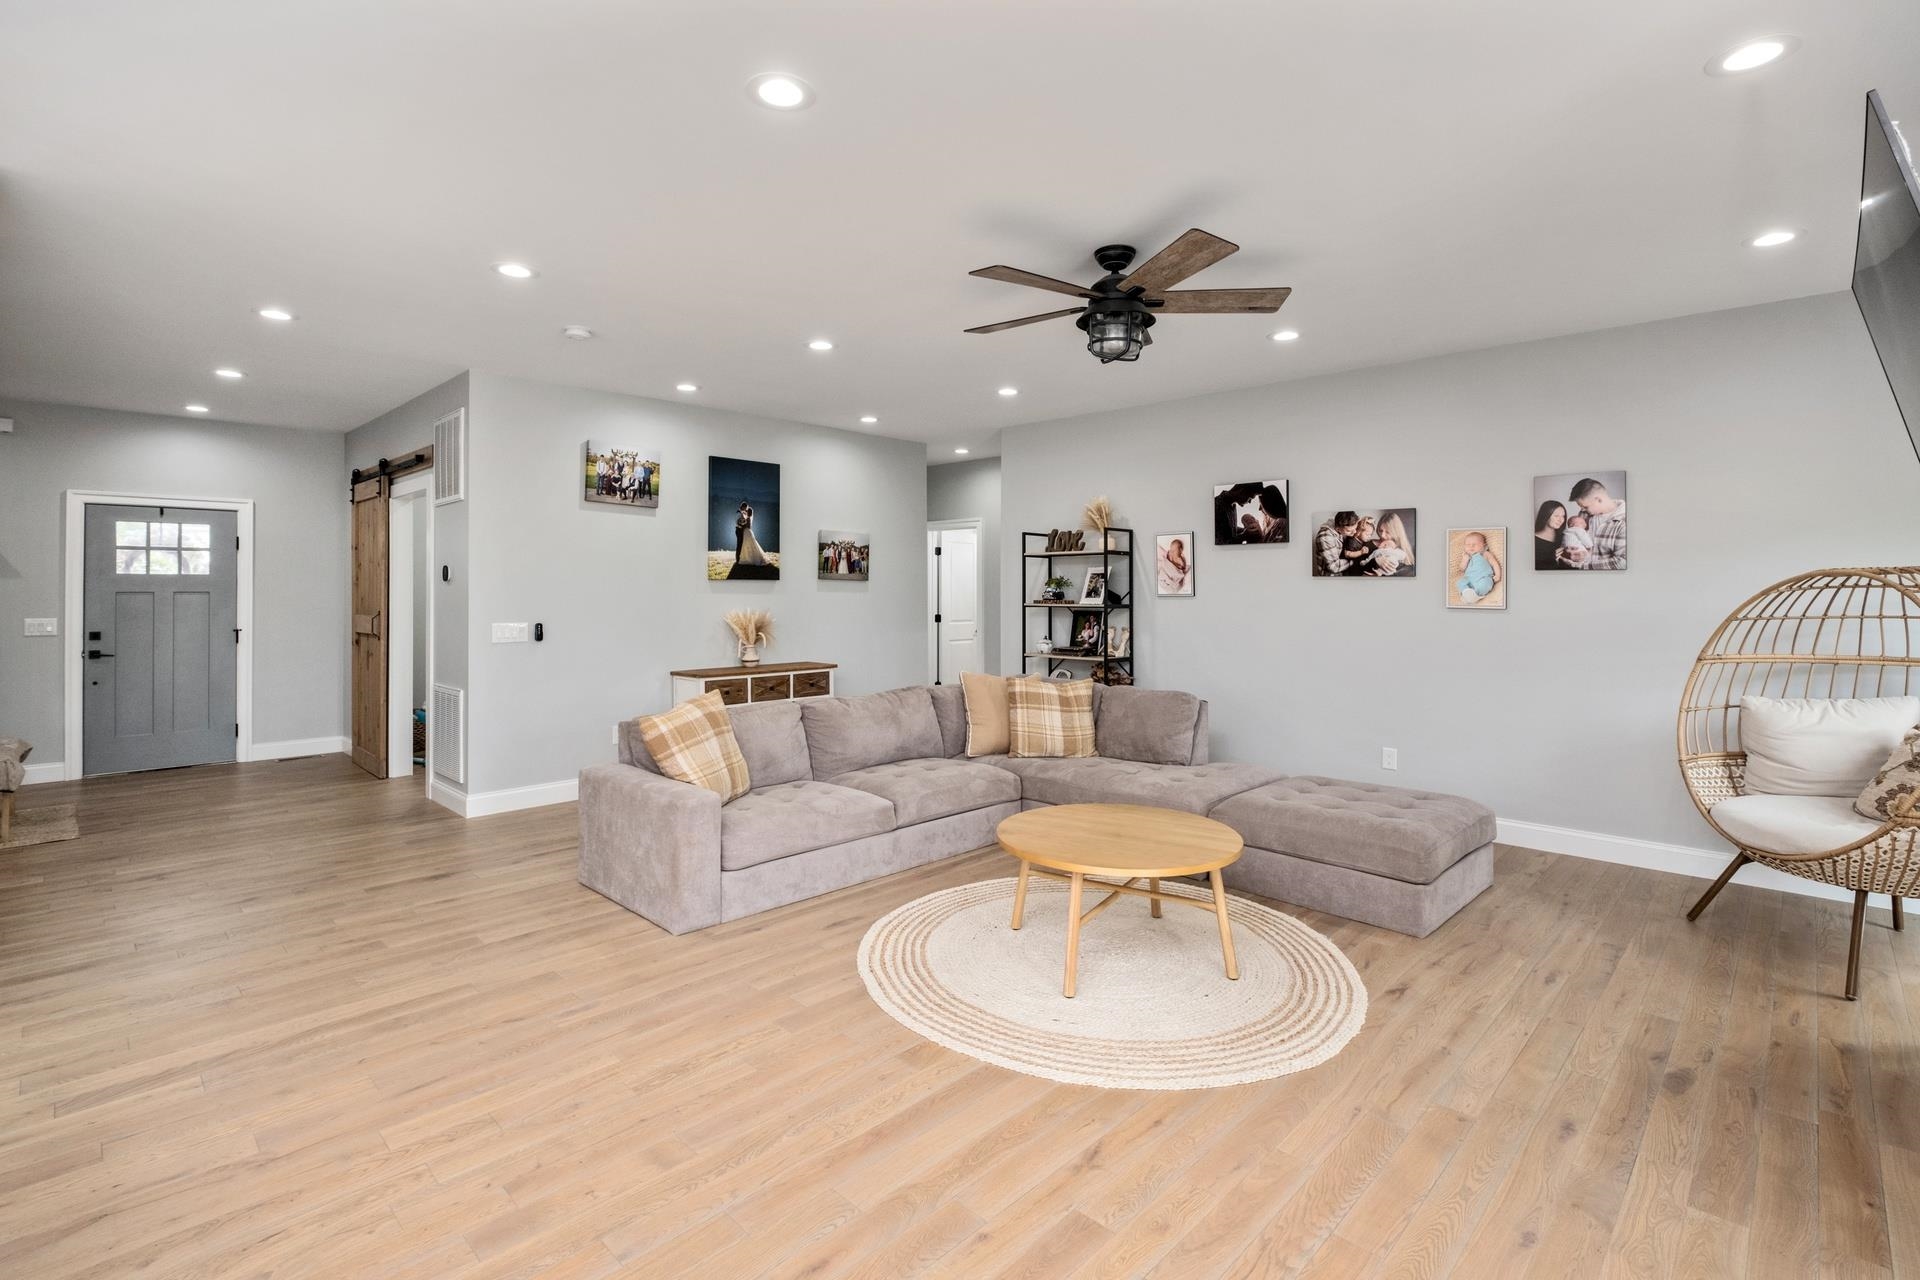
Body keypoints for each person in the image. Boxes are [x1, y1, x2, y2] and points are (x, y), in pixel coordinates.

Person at [1566, 477, 1626, 570]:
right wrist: (1567, 551)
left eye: (1585, 507)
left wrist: (1580, 566)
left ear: (1599, 500)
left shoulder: (1624, 520)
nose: (1582, 510)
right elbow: (1576, 541)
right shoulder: (1584, 514)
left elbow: (1622, 563)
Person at [1454, 531, 1501, 601]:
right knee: (1460, 582)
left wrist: (1498, 575)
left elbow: (1495, 564)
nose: (1471, 546)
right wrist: (1465, 560)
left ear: (1484, 546)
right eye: (1468, 544)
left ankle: (1475, 595)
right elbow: (1462, 569)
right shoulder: (1467, 556)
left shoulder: (1485, 554)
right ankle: (1466, 593)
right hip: (1469, 579)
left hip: (1483, 578)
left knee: (1486, 584)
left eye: (1475, 544)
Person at [1534, 501, 1568, 570]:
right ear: (1545, 515)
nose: (1561, 520)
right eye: (1556, 516)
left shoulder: (1566, 536)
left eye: (1563, 516)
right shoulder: (1532, 540)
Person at [734, 502, 769, 567]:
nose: (745, 510)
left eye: (746, 510)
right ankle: (739, 558)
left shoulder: (747, 517)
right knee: (740, 545)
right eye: (745, 508)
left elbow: (747, 525)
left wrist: (743, 525)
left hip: (746, 531)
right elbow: (738, 522)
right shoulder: (739, 513)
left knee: (742, 545)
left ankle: (742, 558)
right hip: (741, 531)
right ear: (743, 507)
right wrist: (742, 525)